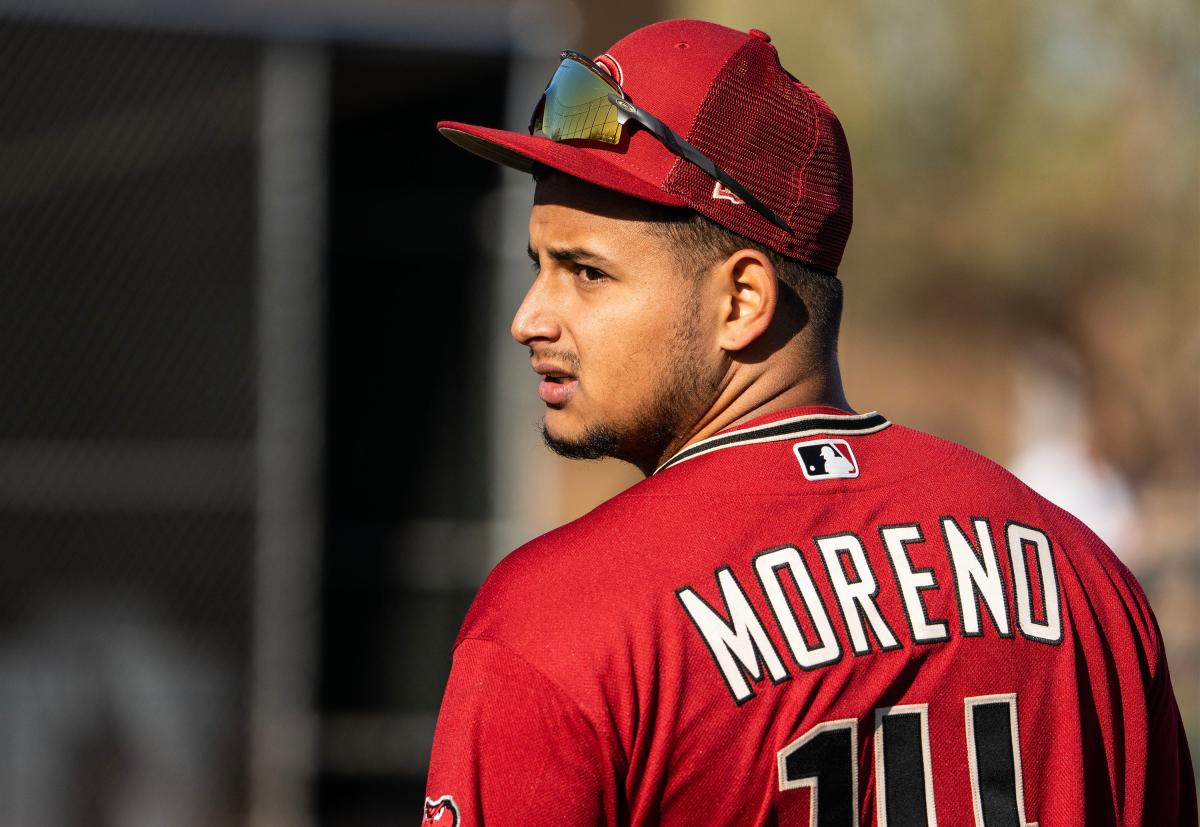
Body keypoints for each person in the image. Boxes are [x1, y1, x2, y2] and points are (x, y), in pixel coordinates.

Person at [423, 19, 1195, 826]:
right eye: (537, 267)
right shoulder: (1088, 580)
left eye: (586, 273)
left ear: (742, 300)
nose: (528, 318)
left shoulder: (557, 622)